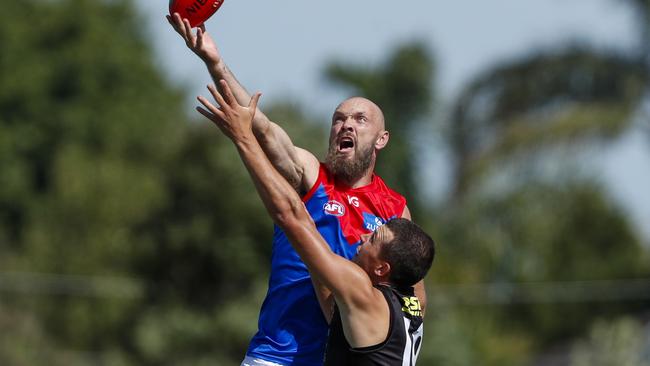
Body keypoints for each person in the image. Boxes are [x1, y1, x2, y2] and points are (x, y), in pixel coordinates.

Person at [167, 14, 428, 366]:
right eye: (339, 118)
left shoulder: (395, 210)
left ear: (382, 140)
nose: (346, 123)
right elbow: (261, 126)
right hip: (278, 355)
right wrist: (215, 62)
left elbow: (414, 298)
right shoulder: (310, 174)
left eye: (359, 119)